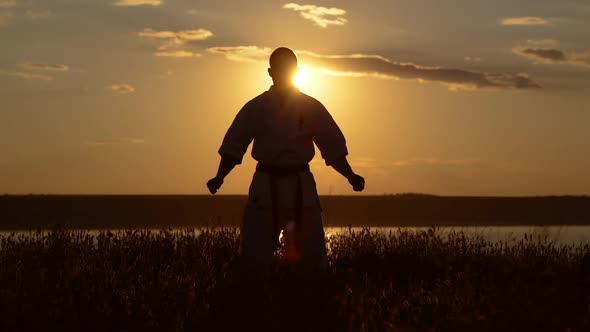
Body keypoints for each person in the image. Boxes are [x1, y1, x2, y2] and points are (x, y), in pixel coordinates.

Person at [207, 47, 364, 277]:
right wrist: (220, 176)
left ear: (296, 71)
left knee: (312, 261)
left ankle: (310, 303)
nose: (282, 72)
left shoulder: (311, 107)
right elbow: (235, 145)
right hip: (265, 189)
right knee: (254, 261)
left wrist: (350, 175)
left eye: (287, 68)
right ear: (270, 72)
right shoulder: (256, 108)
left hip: (301, 187)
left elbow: (332, 147)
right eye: (278, 68)